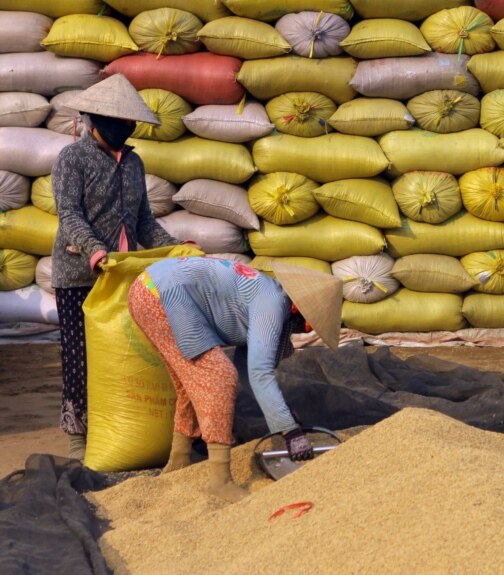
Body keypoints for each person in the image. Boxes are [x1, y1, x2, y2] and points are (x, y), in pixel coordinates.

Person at [127, 256, 344, 502]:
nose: (301, 330)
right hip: (164, 295)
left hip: (146, 289)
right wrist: (291, 434)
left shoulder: (266, 289)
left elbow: (248, 370)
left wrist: (283, 417)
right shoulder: (273, 303)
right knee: (219, 377)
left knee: (193, 382)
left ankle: (179, 460)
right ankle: (220, 481)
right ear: (299, 309)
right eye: (307, 325)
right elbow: (259, 373)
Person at [51, 74, 184, 461]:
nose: (124, 129)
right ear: (94, 119)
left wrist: (175, 250)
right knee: (80, 358)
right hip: (80, 275)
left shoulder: (133, 163)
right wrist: (94, 252)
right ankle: (78, 434)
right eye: (117, 122)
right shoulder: (72, 159)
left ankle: (119, 424)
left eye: (130, 124)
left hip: (123, 276)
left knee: (123, 355)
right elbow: (69, 216)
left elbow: (144, 222)